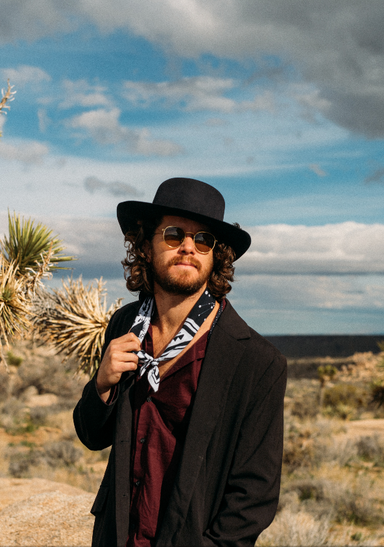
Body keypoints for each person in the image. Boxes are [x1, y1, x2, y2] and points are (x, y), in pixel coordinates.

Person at [74, 177, 287, 547]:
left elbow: (255, 494)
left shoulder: (257, 362)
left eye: (203, 239)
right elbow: (92, 436)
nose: (189, 246)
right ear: (146, 245)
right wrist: (102, 385)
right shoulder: (125, 326)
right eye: (174, 234)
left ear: (215, 255)